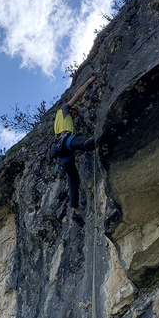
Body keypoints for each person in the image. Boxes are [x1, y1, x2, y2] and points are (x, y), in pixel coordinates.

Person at [53, 74, 96, 227]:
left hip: (62, 151)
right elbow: (78, 95)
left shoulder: (61, 121)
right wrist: (89, 81)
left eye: (76, 115)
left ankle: (75, 210)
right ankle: (89, 143)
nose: (75, 115)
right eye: (74, 112)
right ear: (70, 110)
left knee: (74, 179)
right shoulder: (64, 109)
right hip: (65, 140)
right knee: (87, 143)